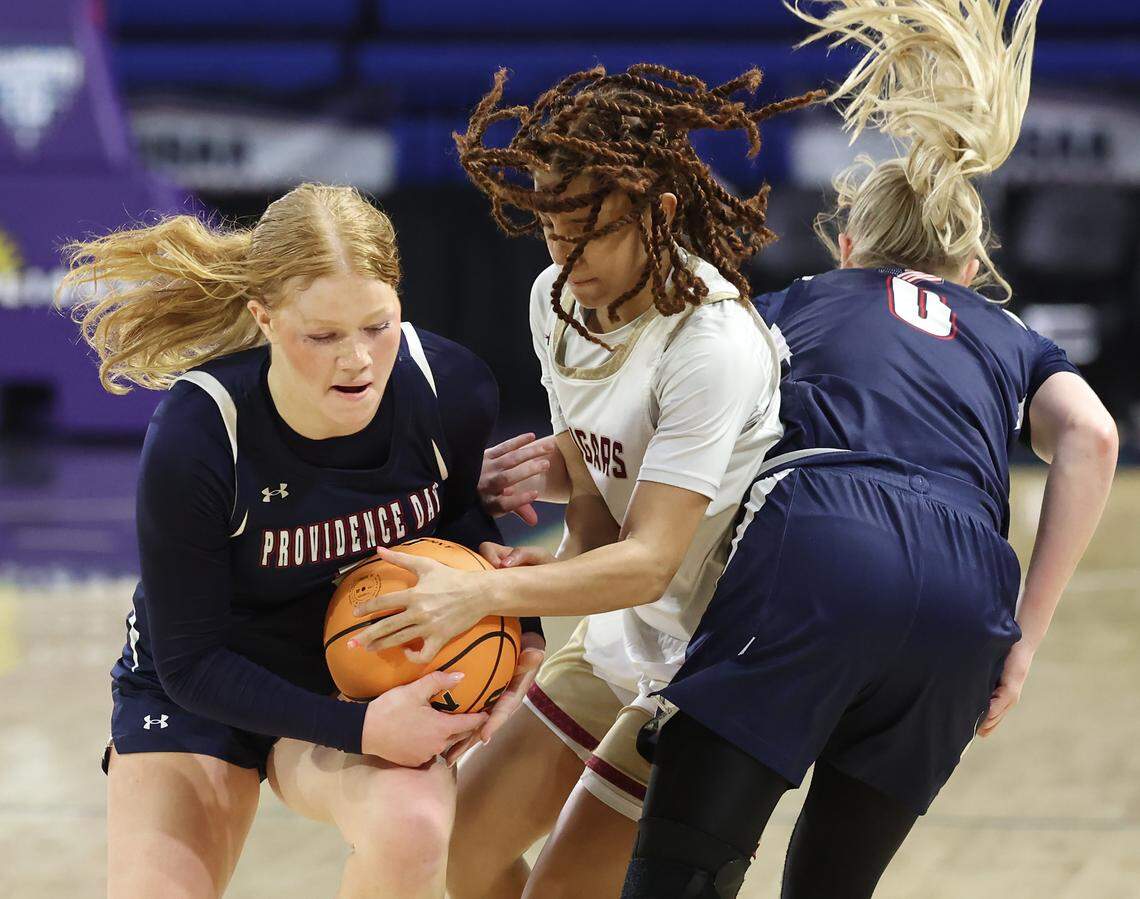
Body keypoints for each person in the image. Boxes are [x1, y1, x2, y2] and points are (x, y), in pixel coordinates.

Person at [612, 3, 1119, 897]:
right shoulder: (1005, 333)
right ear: (968, 268)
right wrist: (1023, 640)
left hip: (823, 541)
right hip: (970, 590)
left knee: (682, 875)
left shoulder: (803, 301)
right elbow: (1093, 434)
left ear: (849, 248)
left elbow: (672, 408)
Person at [346, 65, 822, 898]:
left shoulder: (710, 343)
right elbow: (600, 529)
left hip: (716, 663)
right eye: (552, 232)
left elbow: (650, 560)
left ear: (660, 214)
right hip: (628, 637)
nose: (566, 258)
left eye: (590, 233)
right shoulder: (555, 302)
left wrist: (477, 600)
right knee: (458, 850)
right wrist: (538, 550)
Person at [63, 183, 543, 899]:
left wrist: (521, 623)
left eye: (376, 326)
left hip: (356, 674)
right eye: (323, 335)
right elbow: (189, 659)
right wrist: (361, 729)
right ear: (264, 318)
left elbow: (455, 522)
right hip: (205, 685)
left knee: (413, 826)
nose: (357, 360)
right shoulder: (199, 435)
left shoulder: (451, 389)